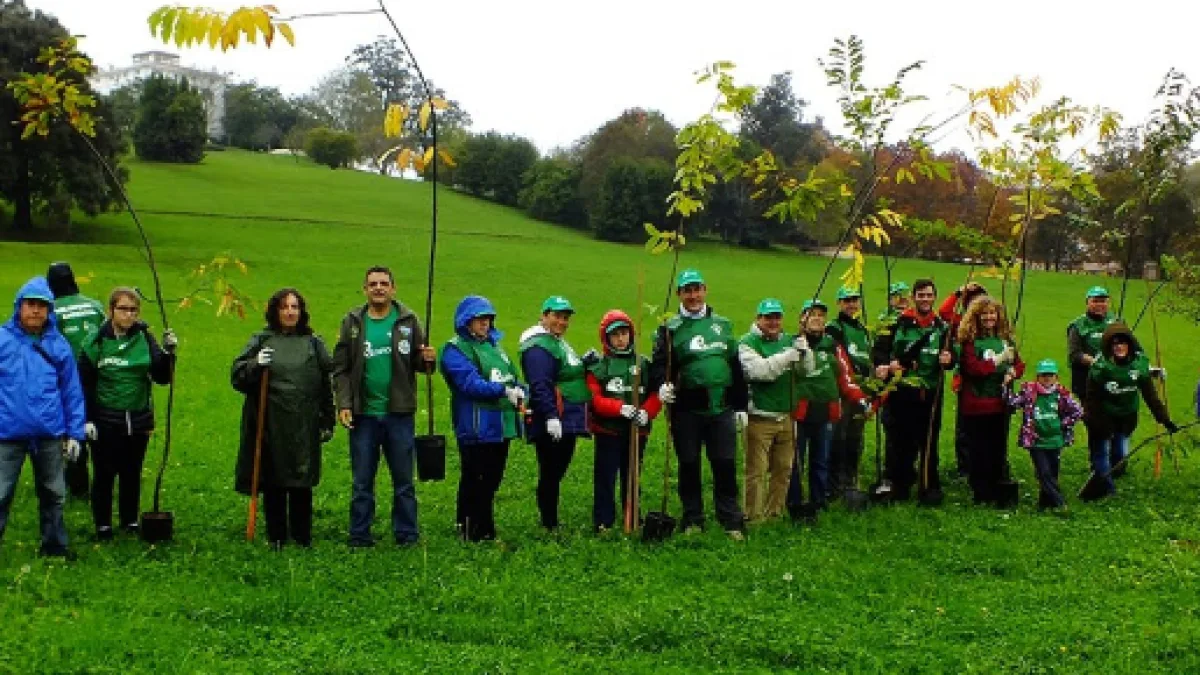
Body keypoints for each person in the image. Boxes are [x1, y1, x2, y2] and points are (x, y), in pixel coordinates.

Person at [332, 266, 436, 548]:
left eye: (384, 283)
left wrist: (428, 359)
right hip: (363, 415)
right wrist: (344, 403)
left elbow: (420, 364)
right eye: (373, 284)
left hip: (399, 414)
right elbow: (340, 368)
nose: (378, 288)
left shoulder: (408, 321)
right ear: (365, 289)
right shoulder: (352, 322)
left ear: (393, 288)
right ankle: (359, 535)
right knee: (362, 482)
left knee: (404, 482)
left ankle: (407, 535)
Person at [231, 288, 335, 549]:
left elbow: (326, 382)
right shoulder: (262, 340)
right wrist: (255, 364)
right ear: (275, 311)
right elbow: (238, 377)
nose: (290, 312)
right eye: (285, 307)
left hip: (304, 421)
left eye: (295, 307)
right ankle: (276, 534)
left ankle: (302, 535)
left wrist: (327, 418)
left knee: (302, 476)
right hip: (270, 422)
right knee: (274, 476)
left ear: (301, 312)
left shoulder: (313, 343)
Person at [652, 269, 749, 539]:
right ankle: (693, 517)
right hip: (687, 410)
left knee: (724, 464)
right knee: (689, 464)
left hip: (722, 408)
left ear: (705, 290)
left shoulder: (723, 325)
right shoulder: (669, 328)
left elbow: (734, 365)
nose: (693, 296)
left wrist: (741, 405)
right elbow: (660, 364)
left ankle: (730, 519)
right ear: (679, 294)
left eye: (697, 289)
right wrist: (661, 385)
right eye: (687, 291)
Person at [76, 287, 176, 540]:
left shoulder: (145, 337)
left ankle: (129, 520)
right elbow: (84, 382)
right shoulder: (96, 341)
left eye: (133, 310)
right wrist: (87, 419)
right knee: (104, 473)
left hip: (138, 420)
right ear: (111, 310)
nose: (129, 315)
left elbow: (162, 377)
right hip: (105, 420)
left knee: (131, 472)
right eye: (123, 309)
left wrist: (169, 354)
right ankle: (103, 524)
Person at [0, 277, 86, 558]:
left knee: (54, 493)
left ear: (50, 310)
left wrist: (75, 434)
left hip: (49, 433)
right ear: (19, 306)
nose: (36, 310)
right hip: (7, 433)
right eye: (30, 304)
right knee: (0, 493)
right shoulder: (2, 341)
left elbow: (71, 391)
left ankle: (55, 546)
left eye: (42, 305)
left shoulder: (59, 346)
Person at [440, 295, 525, 542]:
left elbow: (512, 376)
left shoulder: (495, 347)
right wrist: (503, 391)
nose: (484, 323)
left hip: (501, 423)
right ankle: (472, 529)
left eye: (488, 318)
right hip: (475, 423)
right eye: (479, 319)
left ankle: (479, 526)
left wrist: (521, 391)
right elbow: (469, 383)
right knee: (476, 476)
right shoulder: (456, 349)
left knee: (493, 477)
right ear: (466, 321)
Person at [786, 299, 868, 514]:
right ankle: (795, 503)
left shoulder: (833, 345)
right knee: (795, 462)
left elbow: (845, 377)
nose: (817, 318)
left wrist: (860, 398)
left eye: (821, 315)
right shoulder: (792, 343)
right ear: (802, 320)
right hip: (799, 414)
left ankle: (819, 500)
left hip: (825, 412)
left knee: (821, 460)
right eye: (811, 314)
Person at [585, 310, 662, 533]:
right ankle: (603, 521)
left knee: (633, 475)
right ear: (606, 338)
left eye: (624, 333)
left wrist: (647, 412)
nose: (620, 339)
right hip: (608, 431)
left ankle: (633, 517)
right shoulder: (599, 366)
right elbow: (594, 399)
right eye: (615, 335)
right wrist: (620, 408)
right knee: (606, 477)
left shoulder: (643, 364)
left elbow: (656, 393)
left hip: (637, 430)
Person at [1081, 323, 1178, 499]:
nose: (1119, 347)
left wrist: (1165, 420)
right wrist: (1098, 424)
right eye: (1114, 343)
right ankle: (1108, 490)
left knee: (1120, 455)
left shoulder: (1139, 366)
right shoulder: (1100, 369)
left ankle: (1106, 476)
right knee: (1101, 453)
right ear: (1109, 346)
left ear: (1130, 345)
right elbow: (1092, 399)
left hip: (1126, 417)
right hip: (1102, 416)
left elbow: (1150, 396)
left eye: (1123, 343)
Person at [880, 278, 955, 504]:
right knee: (900, 441)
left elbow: (952, 356)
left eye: (929, 295)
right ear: (913, 298)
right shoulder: (899, 323)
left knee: (929, 441)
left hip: (930, 393)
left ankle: (928, 485)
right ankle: (899, 484)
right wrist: (888, 365)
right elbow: (881, 351)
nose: (925, 299)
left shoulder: (942, 327)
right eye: (921, 295)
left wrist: (949, 359)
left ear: (934, 298)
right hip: (901, 391)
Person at [519, 295, 590, 532]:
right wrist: (550, 416)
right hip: (554, 416)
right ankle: (549, 522)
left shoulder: (557, 342)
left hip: (567, 416)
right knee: (551, 470)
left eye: (565, 317)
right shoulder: (538, 347)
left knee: (557, 469)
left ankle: (550, 518)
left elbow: (564, 370)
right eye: (557, 316)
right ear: (544, 316)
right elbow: (540, 383)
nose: (562, 322)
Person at [738, 298, 810, 522]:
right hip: (759, 417)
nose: (773, 322)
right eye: (768, 317)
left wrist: (805, 352)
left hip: (787, 416)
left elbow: (806, 371)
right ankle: (753, 516)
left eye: (777, 317)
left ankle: (774, 513)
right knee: (756, 472)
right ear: (758, 319)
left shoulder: (790, 340)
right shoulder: (747, 343)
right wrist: (789, 355)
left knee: (784, 469)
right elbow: (761, 371)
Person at [956, 296, 1024, 505]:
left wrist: (1012, 372)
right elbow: (973, 369)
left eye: (992, 313)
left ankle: (997, 487)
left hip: (1000, 404)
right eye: (984, 314)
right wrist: (998, 361)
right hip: (976, 404)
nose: (989, 317)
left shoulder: (1005, 339)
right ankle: (981, 491)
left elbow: (1019, 364)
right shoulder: (969, 342)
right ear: (976, 317)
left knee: (997, 447)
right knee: (979, 449)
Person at [46, 262, 105, 499]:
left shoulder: (52, 310)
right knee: (97, 426)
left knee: (73, 428)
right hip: (98, 375)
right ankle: (103, 478)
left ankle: (78, 483)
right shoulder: (95, 305)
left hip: (67, 377)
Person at [1006, 359, 1083, 511]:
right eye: (1043, 375)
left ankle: (1045, 503)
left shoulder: (1062, 394)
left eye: (1050, 375)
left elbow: (1078, 411)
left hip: (1055, 440)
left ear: (1056, 377)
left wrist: (1062, 424)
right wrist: (1006, 385)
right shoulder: (1029, 392)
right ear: (1038, 377)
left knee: (1053, 473)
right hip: (1036, 441)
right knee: (1044, 472)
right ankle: (1060, 503)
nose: (1047, 378)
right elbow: (1012, 402)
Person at [939, 281, 989, 480]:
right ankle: (965, 467)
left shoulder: (991, 323)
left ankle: (985, 464)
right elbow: (944, 312)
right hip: (967, 382)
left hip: (989, 382)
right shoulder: (961, 324)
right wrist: (959, 292)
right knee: (965, 427)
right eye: (972, 301)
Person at [826, 286, 872, 497]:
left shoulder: (863, 329)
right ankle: (834, 483)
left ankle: (851, 479)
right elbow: (838, 361)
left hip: (862, 391)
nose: (851, 304)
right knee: (839, 437)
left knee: (855, 437)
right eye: (847, 301)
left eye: (855, 300)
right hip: (842, 392)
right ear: (839, 303)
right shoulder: (834, 328)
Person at [1067, 286, 1143, 398]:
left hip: (1115, 379)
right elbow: (1075, 355)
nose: (1099, 304)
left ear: (1108, 303)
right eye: (1095, 301)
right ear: (1087, 302)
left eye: (1103, 301)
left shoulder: (1117, 322)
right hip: (1087, 380)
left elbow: (1135, 348)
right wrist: (1098, 363)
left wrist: (1147, 368)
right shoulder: (1077, 326)